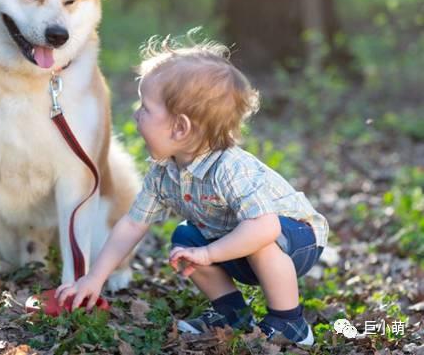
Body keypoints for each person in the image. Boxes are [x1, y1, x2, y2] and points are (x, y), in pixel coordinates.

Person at [55, 36, 328, 347]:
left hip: (296, 239)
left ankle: (288, 322)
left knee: (261, 239)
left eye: (144, 107)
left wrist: (209, 253)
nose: (136, 115)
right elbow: (132, 224)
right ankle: (233, 316)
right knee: (186, 239)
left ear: (180, 128)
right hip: (236, 241)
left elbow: (266, 226)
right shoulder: (163, 172)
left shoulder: (229, 168)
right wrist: (94, 278)